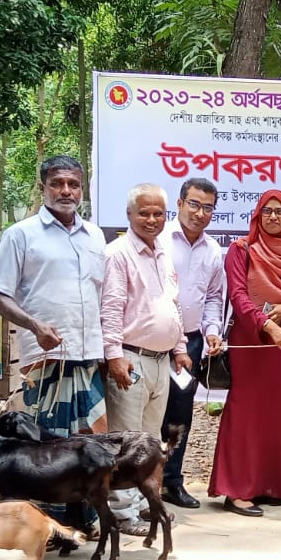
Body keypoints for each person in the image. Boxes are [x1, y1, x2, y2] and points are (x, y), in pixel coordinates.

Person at [0, 154, 108, 453]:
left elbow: (100, 295)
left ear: (81, 190)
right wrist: (34, 325)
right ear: (43, 187)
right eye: (57, 183)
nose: (66, 190)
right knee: (45, 447)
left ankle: (85, 502)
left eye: (73, 184)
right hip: (45, 358)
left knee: (91, 446)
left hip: (88, 358)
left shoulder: (95, 235)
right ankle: (43, 502)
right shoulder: (21, 235)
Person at [210, 189, 281, 515]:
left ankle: (271, 484)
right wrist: (268, 324)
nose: (274, 217)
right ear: (257, 216)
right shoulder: (241, 250)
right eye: (267, 211)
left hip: (279, 345)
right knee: (245, 412)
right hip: (251, 339)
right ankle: (236, 490)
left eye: (280, 211)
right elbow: (238, 296)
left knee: (275, 412)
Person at [101, 183, 188, 535]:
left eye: (158, 214)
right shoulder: (118, 253)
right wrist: (114, 357)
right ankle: (122, 514)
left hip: (161, 360)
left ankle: (143, 505)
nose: (152, 220)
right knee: (126, 442)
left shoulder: (162, 252)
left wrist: (180, 347)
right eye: (144, 213)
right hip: (131, 361)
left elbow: (172, 305)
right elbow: (110, 309)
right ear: (129, 215)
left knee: (150, 441)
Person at [159, 177, 226, 510]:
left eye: (208, 207)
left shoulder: (213, 251)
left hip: (193, 343)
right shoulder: (158, 239)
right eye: (195, 204)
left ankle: (171, 482)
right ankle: (141, 484)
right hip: (154, 341)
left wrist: (213, 329)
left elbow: (213, 298)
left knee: (179, 416)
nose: (200, 213)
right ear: (180, 203)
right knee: (146, 415)